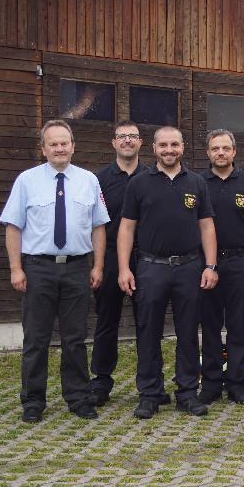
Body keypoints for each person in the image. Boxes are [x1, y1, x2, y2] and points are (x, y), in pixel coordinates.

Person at [0, 119, 109, 423]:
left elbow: (99, 226)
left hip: (76, 268)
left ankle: (78, 397)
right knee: (36, 339)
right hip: (38, 269)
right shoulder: (27, 180)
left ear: (73, 146)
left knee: (75, 338)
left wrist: (97, 265)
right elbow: (13, 227)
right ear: (43, 148)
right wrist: (16, 269)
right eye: (53, 144)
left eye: (65, 143)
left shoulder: (89, 180)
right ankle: (33, 401)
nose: (60, 148)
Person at [117, 126, 218, 419]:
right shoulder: (138, 184)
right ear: (154, 148)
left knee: (188, 332)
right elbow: (126, 227)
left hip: (189, 267)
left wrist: (210, 265)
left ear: (183, 147)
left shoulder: (197, 183)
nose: (169, 150)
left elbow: (207, 226)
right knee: (148, 332)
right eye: (163, 145)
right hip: (151, 268)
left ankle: (187, 393)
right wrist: (124, 268)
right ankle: (150, 394)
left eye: (174, 144)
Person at [198, 129, 244, 406]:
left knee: (238, 327)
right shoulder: (198, 183)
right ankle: (211, 383)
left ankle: (237, 383)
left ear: (234, 152)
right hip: (207, 265)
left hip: (241, 262)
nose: (221, 153)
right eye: (215, 149)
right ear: (208, 152)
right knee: (210, 325)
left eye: (226, 148)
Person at [89, 120, 146, 407]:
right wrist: (97, 264)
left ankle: (150, 383)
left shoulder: (152, 176)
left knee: (147, 324)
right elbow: (92, 224)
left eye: (132, 137)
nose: (127, 141)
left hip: (145, 258)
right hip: (110, 256)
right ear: (113, 143)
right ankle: (101, 381)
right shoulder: (98, 180)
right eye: (122, 137)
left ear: (140, 142)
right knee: (106, 322)